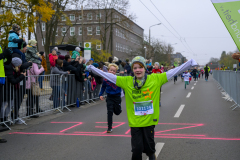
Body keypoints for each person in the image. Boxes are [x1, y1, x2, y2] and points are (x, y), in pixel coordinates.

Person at [88, 56, 197, 160]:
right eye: (135, 68)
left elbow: (173, 72)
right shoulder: (127, 81)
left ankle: (151, 154)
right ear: (132, 70)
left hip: (149, 121)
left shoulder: (155, 79)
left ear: (145, 68)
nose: (138, 70)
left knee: (149, 148)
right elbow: (109, 76)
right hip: (135, 122)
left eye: (140, 67)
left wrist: (189, 63)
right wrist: (91, 68)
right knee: (136, 149)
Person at [99, 63, 122, 133]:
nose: (112, 72)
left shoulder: (118, 79)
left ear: (116, 72)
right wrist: (100, 94)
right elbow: (103, 87)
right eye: (111, 70)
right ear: (108, 70)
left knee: (117, 112)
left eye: (114, 71)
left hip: (117, 97)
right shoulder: (105, 80)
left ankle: (118, 109)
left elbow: (124, 86)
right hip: (109, 97)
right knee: (109, 112)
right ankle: (109, 127)